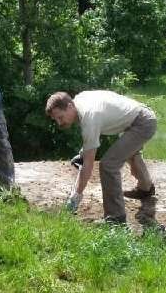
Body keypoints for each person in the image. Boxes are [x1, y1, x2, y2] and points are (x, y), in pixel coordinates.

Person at [46, 90, 157, 224]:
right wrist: (84, 153)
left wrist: (75, 197)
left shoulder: (89, 116)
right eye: (56, 119)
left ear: (70, 106)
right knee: (129, 152)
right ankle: (146, 189)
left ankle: (116, 218)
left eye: (61, 117)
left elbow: (88, 164)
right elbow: (93, 133)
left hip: (142, 123)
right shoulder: (79, 100)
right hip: (140, 116)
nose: (59, 123)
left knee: (108, 165)